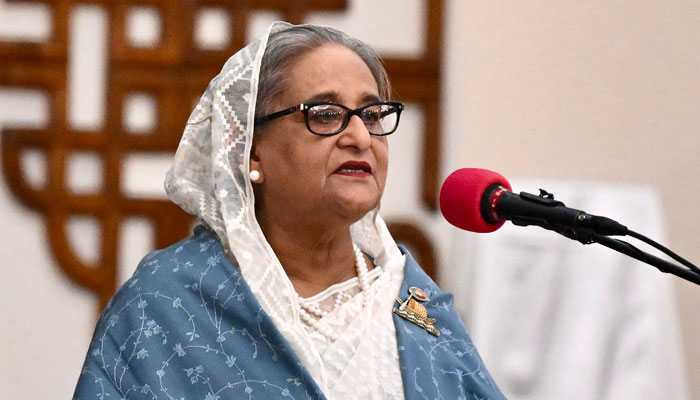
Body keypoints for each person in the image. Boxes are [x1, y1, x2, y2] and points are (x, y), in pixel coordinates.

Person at [74, 22, 504, 399]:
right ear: (251, 151)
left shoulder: (411, 300)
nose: (359, 136)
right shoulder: (168, 302)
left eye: (371, 114)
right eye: (325, 113)